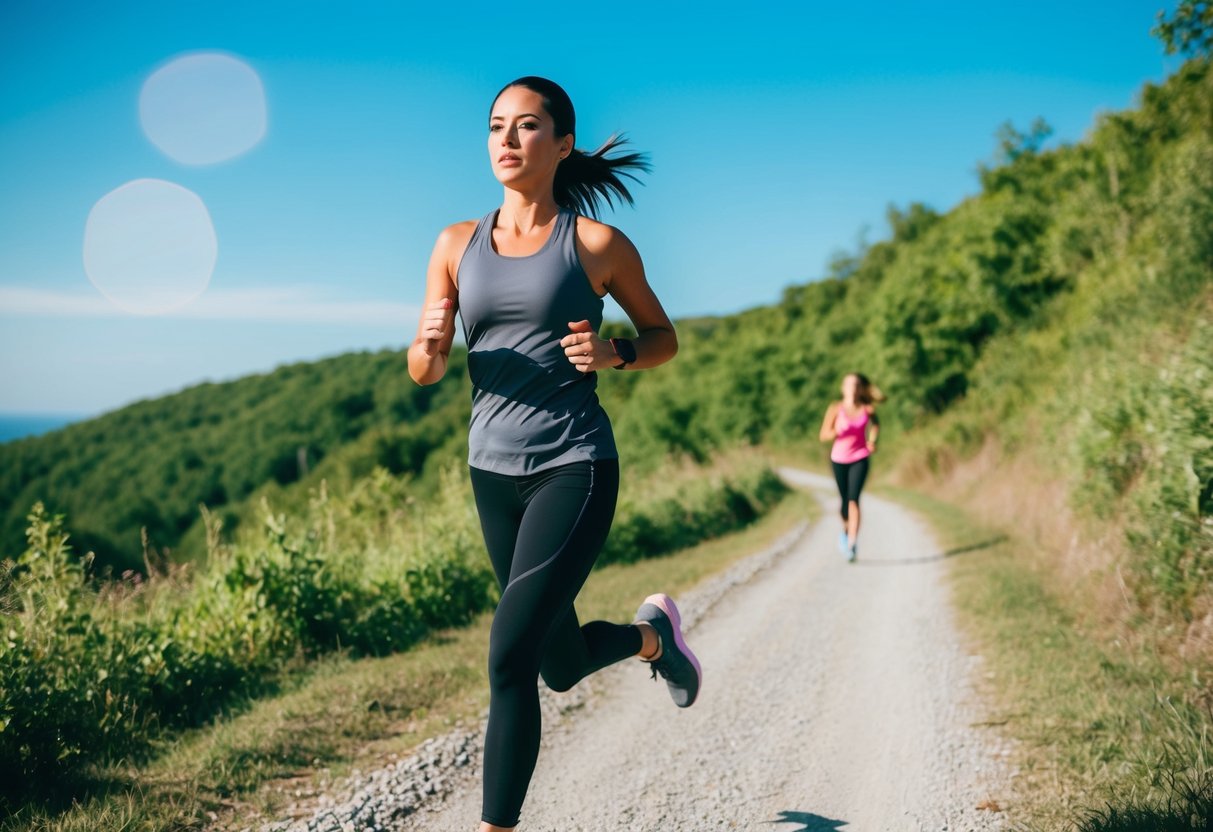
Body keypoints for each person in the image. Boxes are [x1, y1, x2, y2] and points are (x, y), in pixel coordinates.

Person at [407, 76, 702, 832]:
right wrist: (430, 348)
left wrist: (616, 354)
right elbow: (425, 367)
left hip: (574, 465)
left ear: (562, 143)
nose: (506, 139)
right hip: (490, 471)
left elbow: (663, 337)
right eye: (496, 125)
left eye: (526, 126)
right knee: (557, 663)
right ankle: (652, 638)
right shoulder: (454, 243)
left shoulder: (595, 244)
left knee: (508, 658)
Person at [818, 373, 884, 562]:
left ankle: (852, 543)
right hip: (838, 459)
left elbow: (876, 425)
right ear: (843, 388)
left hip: (860, 457)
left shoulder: (867, 409)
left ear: (861, 389)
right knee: (844, 503)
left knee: (854, 499)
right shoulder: (835, 409)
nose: (853, 388)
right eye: (849, 385)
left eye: (856, 385)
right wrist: (836, 431)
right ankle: (846, 531)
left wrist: (872, 441)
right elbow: (823, 435)